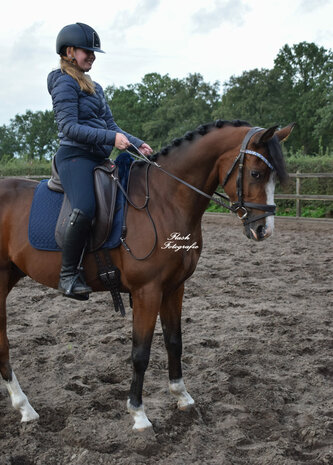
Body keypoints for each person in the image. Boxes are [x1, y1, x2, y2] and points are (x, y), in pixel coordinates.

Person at [47, 22, 153, 301]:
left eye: (94, 52)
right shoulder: (63, 83)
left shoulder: (95, 87)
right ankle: (68, 274)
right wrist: (110, 137)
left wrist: (135, 142)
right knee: (84, 207)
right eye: (87, 51)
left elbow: (111, 125)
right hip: (74, 157)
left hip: (98, 157)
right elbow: (69, 127)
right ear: (69, 52)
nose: (92, 56)